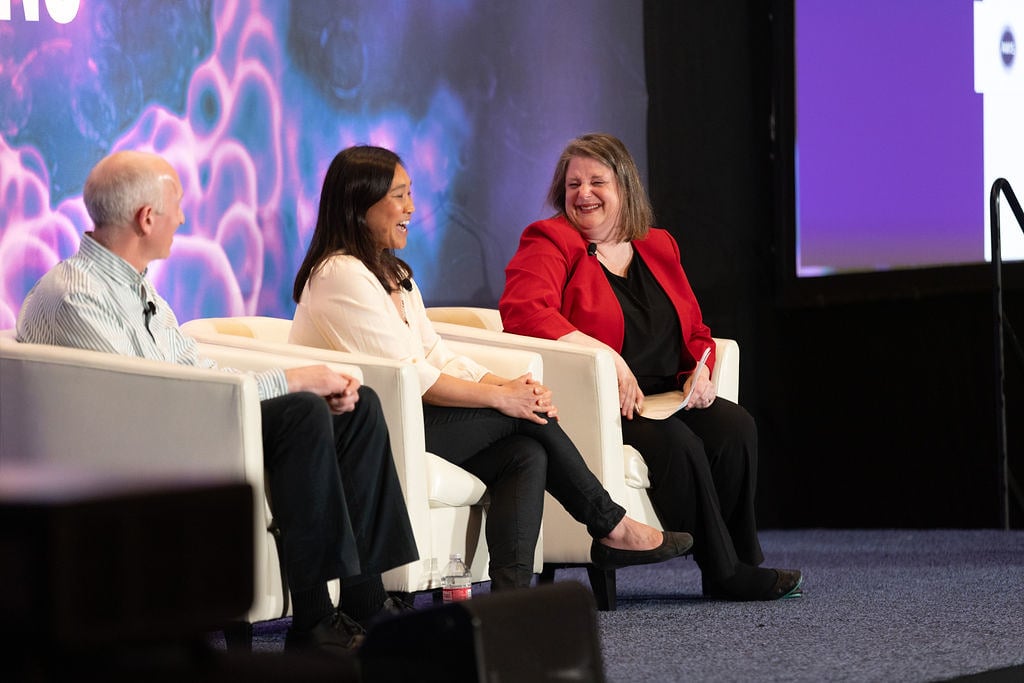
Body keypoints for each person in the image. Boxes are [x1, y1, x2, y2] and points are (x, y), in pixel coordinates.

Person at [16, 150, 420, 656]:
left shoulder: (139, 290)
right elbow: (145, 395)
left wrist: (293, 382)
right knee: (302, 411)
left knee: (358, 407)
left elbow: (199, 376)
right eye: (177, 206)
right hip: (141, 447)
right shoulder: (75, 295)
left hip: (183, 421)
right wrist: (293, 383)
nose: (183, 218)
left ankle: (366, 602)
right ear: (147, 218)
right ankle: (313, 621)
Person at [288, 145, 694, 592]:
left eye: (411, 194)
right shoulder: (340, 275)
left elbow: (436, 352)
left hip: (412, 416)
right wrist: (503, 398)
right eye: (399, 196)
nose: (412, 208)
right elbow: (411, 377)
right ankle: (610, 524)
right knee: (526, 420)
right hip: (374, 426)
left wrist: (507, 383)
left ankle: (511, 600)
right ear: (360, 204)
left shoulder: (392, 273)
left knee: (525, 452)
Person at [499, 133, 802, 601]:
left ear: (624, 187)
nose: (583, 194)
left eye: (597, 181)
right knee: (677, 443)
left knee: (734, 426)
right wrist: (605, 356)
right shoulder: (550, 240)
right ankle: (722, 573)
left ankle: (742, 559)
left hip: (665, 392)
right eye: (573, 183)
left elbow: (696, 332)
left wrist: (699, 372)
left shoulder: (657, 245)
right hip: (602, 402)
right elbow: (524, 312)